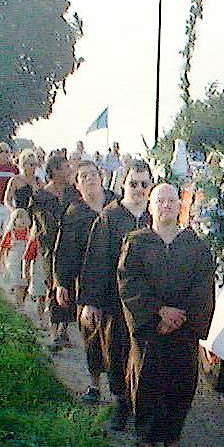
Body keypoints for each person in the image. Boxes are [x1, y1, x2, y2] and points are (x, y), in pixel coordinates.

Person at [118, 183, 217, 447]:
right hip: (150, 332)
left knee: (178, 392)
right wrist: (158, 312)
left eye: (171, 201)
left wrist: (179, 318)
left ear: (180, 206)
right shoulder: (136, 243)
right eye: (160, 201)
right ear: (150, 206)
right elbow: (129, 282)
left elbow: (203, 288)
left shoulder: (196, 246)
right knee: (147, 388)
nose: (166, 205)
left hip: (182, 334)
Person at [78, 162, 154, 428]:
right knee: (117, 351)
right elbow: (96, 260)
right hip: (115, 301)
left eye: (144, 184)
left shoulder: (155, 217)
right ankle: (120, 402)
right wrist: (90, 302)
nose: (138, 189)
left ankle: (141, 407)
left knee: (144, 356)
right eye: (133, 183)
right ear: (123, 184)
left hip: (146, 303)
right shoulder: (110, 217)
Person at [54, 162, 114, 404]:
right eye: (84, 176)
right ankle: (95, 385)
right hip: (86, 282)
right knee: (91, 334)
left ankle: (122, 392)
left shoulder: (116, 206)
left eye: (93, 174)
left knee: (117, 336)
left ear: (102, 177)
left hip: (117, 280)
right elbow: (64, 249)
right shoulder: (74, 212)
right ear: (77, 184)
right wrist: (61, 282)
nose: (90, 179)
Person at [33, 153, 75, 349]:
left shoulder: (72, 194)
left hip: (70, 248)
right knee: (52, 285)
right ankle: (54, 330)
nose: (70, 171)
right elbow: (42, 226)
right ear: (56, 170)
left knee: (69, 286)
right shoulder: (41, 197)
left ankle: (64, 330)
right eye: (66, 167)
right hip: (50, 249)